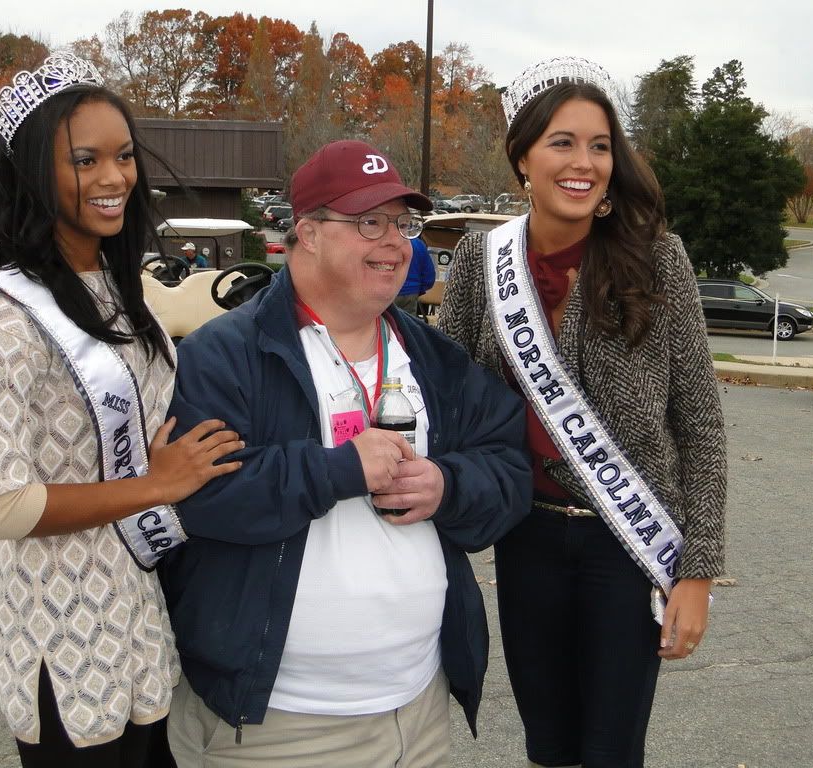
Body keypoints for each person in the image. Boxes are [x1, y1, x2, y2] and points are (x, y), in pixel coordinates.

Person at [159, 139, 532, 767]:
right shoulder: (224, 354)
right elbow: (204, 496)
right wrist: (338, 469)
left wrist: (449, 485)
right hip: (279, 724)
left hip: (419, 710)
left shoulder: (434, 359)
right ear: (307, 232)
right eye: (368, 223)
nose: (394, 242)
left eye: (401, 223)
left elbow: (510, 466)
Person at [438, 57, 728, 768]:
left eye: (600, 145)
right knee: (549, 746)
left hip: (628, 548)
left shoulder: (657, 258)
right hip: (527, 539)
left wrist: (698, 572)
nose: (584, 162)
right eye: (562, 142)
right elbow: (446, 394)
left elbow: (700, 421)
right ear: (523, 158)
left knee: (610, 750)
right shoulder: (483, 260)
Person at [0, 53, 243, 768]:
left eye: (122, 156)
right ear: (30, 170)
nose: (114, 178)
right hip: (58, 617)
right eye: (85, 160)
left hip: (134, 596)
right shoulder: (5, 314)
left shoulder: (114, 284)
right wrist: (155, 485)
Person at [393, 235, 436, 315]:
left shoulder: (389, 241)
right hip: (411, 293)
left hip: (389, 291)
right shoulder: (418, 244)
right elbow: (429, 275)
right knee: (407, 324)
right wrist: (418, 289)